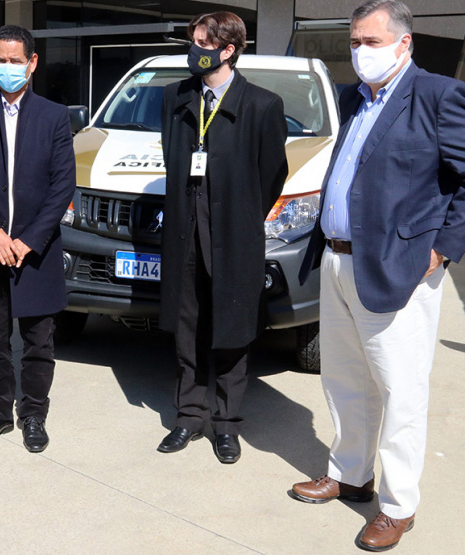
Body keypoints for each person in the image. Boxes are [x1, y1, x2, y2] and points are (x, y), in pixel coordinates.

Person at [289, 1, 465, 551]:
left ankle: (398, 505)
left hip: (398, 267)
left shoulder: (436, 95)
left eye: (372, 41)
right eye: (355, 41)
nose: (360, 51)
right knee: (344, 379)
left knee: (400, 389)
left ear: (404, 43)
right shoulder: (352, 97)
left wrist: (441, 249)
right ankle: (350, 474)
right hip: (338, 260)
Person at [157, 12, 288, 463]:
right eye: (193, 41)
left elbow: (272, 175)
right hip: (185, 231)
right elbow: (172, 158)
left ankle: (226, 424)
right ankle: (189, 416)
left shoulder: (262, 105)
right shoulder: (176, 97)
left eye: (203, 43)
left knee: (231, 328)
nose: (194, 50)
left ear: (228, 50)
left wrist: (240, 214)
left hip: (233, 235)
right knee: (188, 327)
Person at [0, 25, 75, 453]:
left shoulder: (54, 117)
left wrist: (29, 239)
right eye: (0, 61)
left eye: (15, 61)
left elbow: (62, 185)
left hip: (35, 251)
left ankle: (34, 415)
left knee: (39, 342)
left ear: (32, 62)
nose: (8, 68)